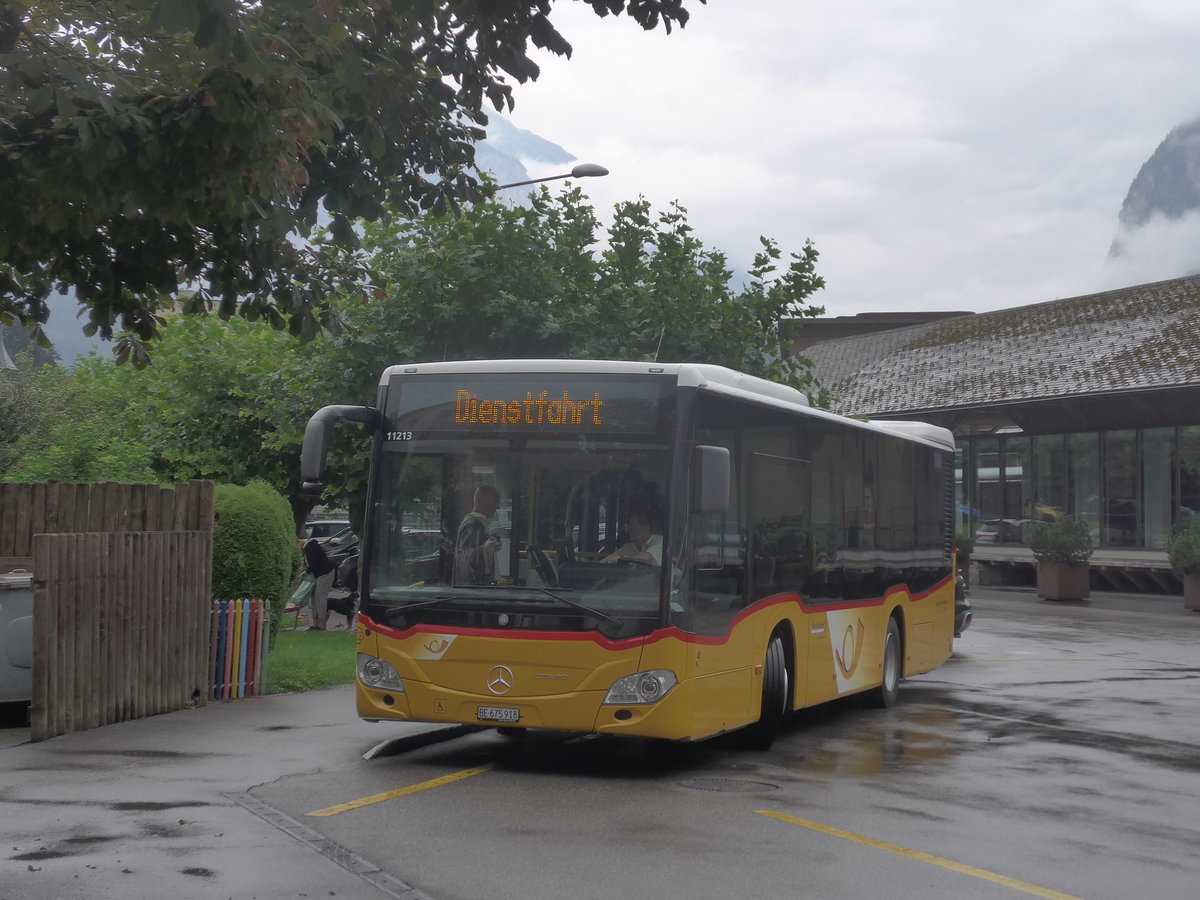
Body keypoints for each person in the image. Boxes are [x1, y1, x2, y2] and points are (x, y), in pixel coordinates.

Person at [454, 485, 502, 584]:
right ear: (482, 502)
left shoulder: (476, 523)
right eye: (494, 502)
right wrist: (485, 549)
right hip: (474, 590)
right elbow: (463, 557)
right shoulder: (473, 525)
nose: (497, 507)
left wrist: (490, 548)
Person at [301, 537, 336, 630]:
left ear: (300, 542)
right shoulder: (310, 546)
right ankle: (315, 623)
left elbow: (313, 562)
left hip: (325, 573)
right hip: (319, 574)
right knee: (313, 597)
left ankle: (321, 623)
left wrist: (306, 571)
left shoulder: (310, 547)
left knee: (320, 597)